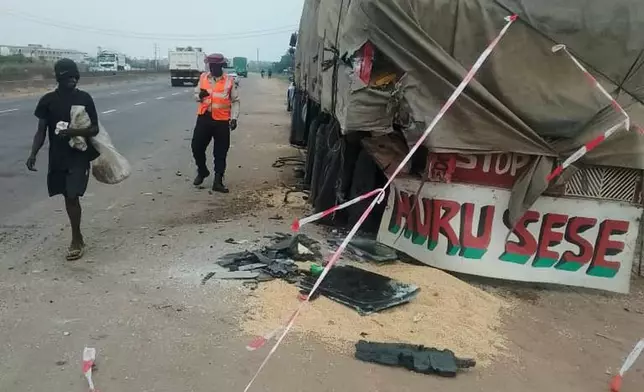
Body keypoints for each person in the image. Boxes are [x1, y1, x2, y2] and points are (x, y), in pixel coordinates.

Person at [26, 58, 100, 261]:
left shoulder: (84, 98)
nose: (73, 80)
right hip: (58, 156)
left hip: (79, 155)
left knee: (72, 194)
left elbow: (95, 128)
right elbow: (41, 131)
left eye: (75, 76)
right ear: (59, 77)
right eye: (69, 77)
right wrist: (33, 153)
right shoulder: (47, 101)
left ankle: (76, 239)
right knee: (67, 195)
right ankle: (78, 236)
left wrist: (73, 131)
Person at [192, 53, 240, 193]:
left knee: (220, 152)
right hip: (204, 119)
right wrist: (199, 96)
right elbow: (195, 94)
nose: (212, 68)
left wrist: (234, 118)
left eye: (216, 66)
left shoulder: (229, 81)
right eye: (211, 66)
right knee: (196, 147)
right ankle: (202, 171)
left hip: (222, 121)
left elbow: (235, 101)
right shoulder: (203, 78)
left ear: (221, 66)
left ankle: (218, 180)